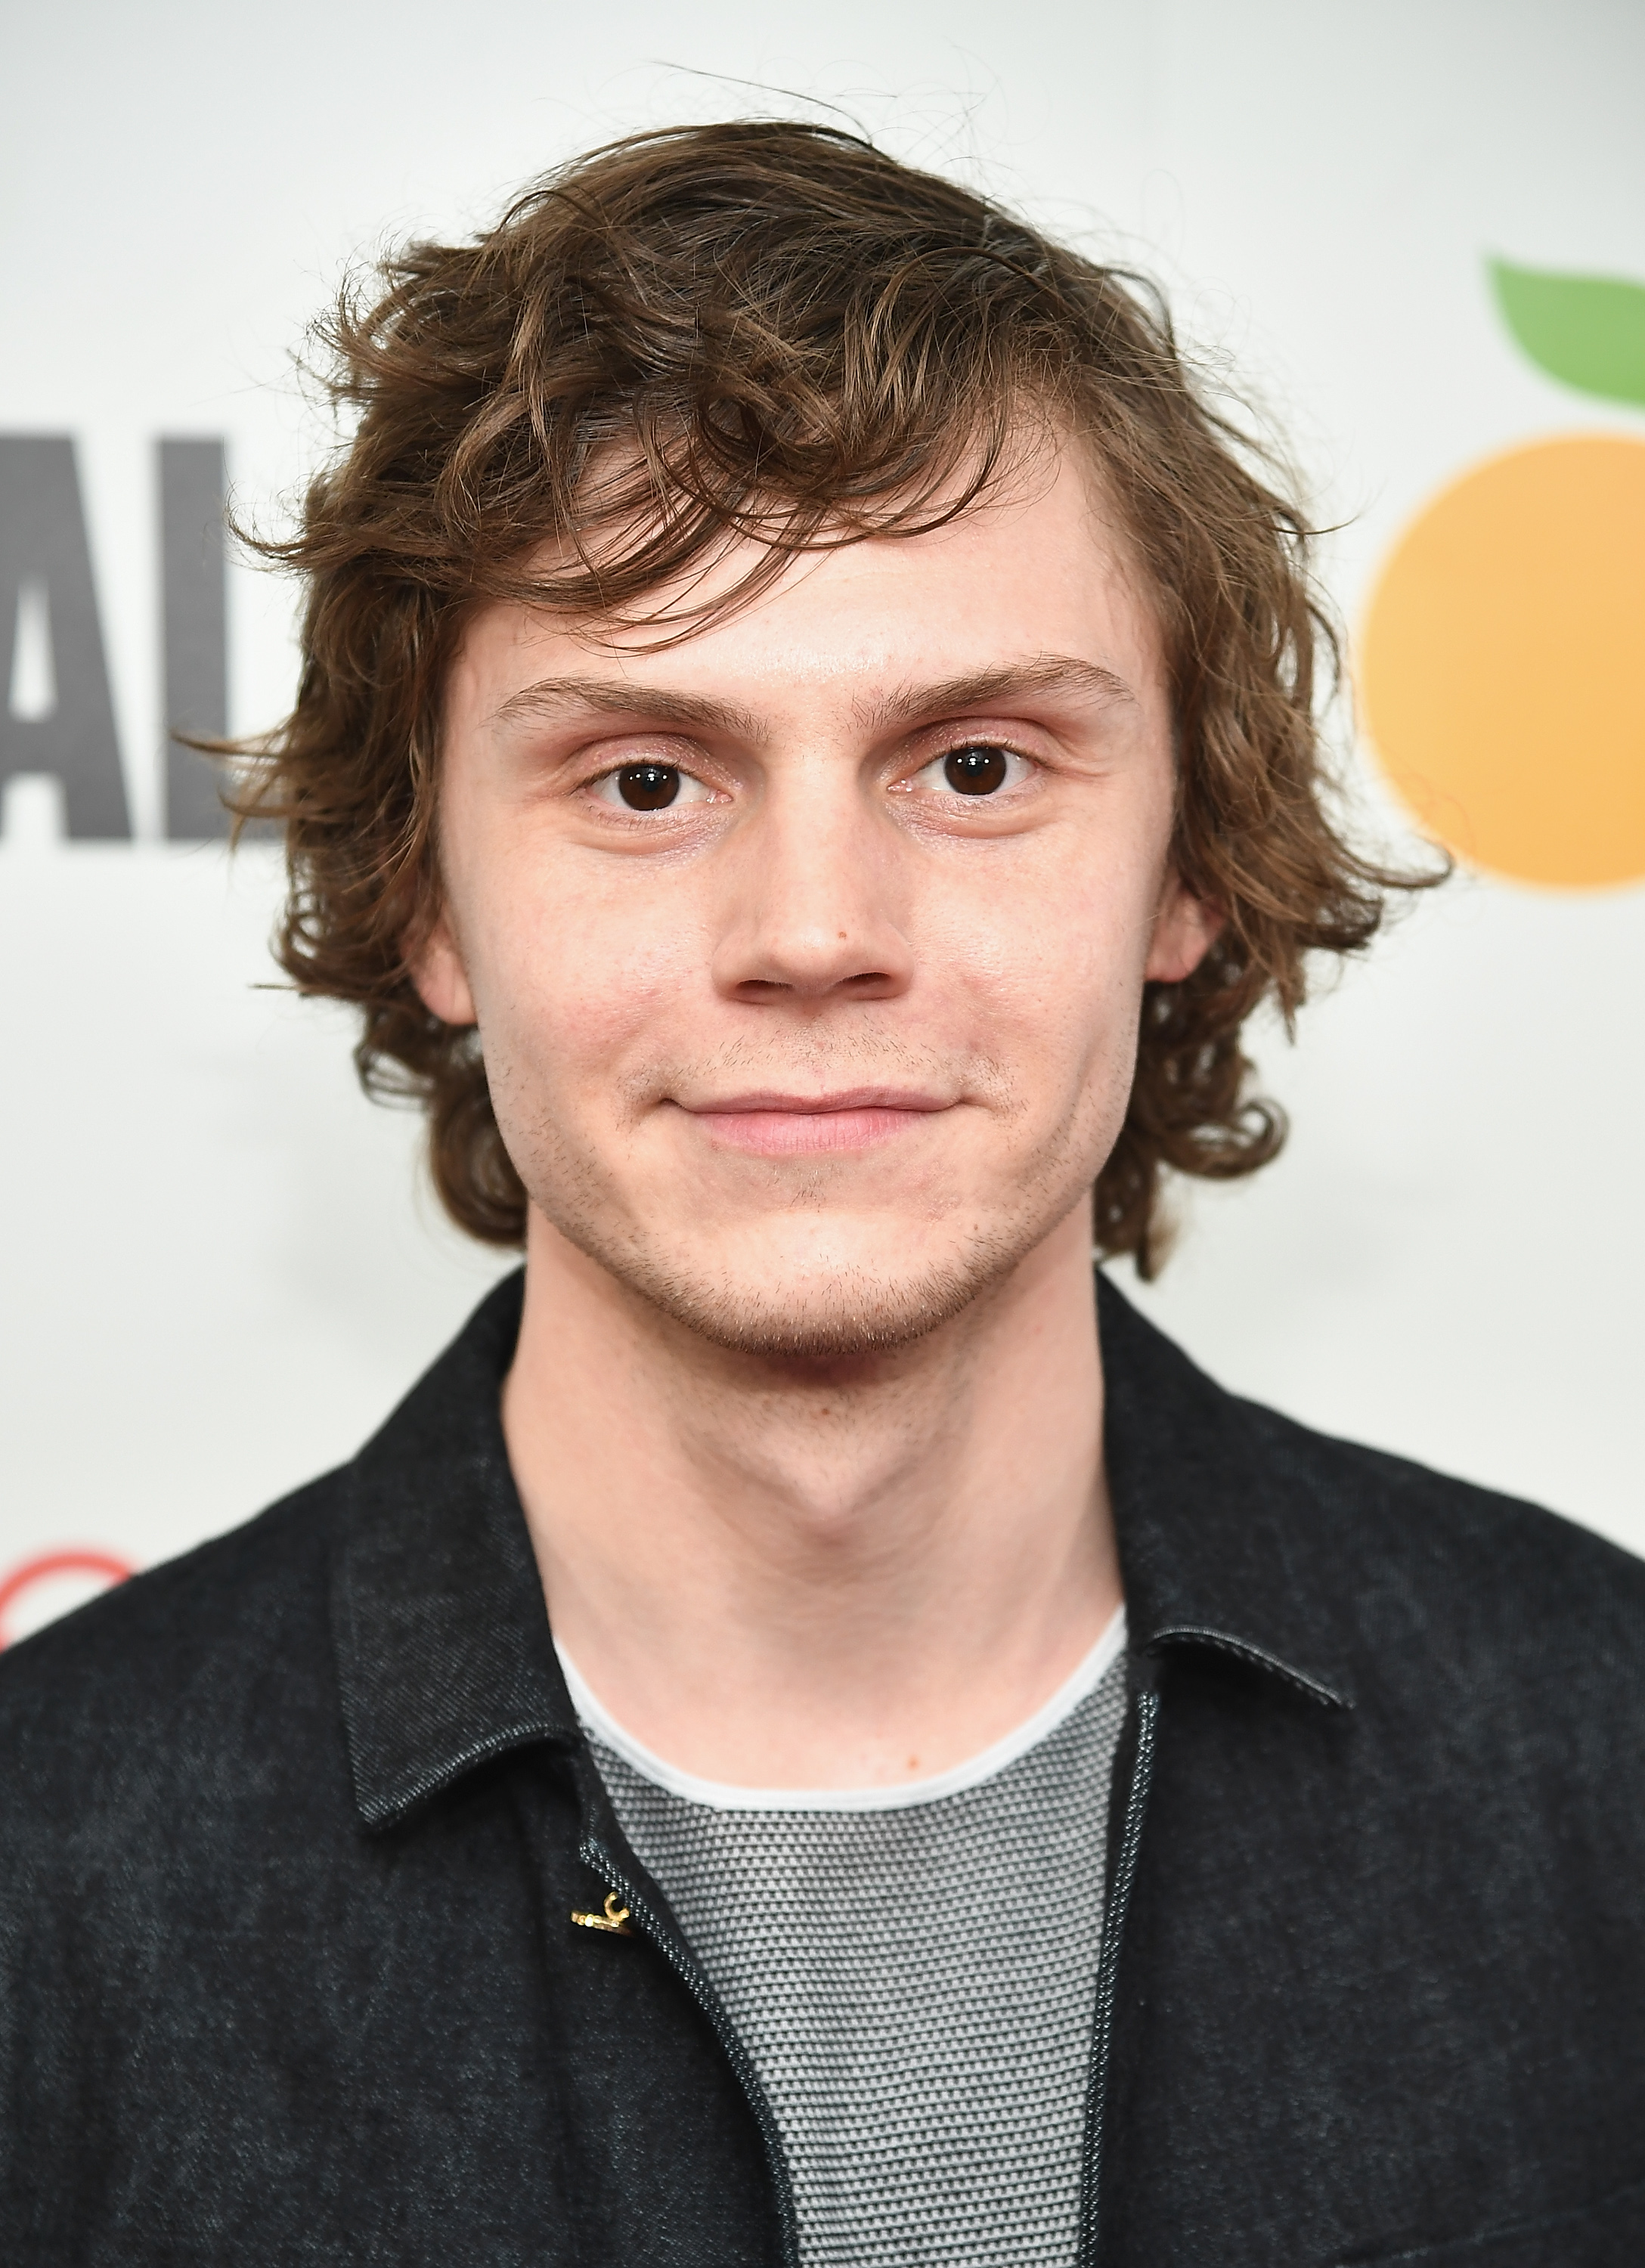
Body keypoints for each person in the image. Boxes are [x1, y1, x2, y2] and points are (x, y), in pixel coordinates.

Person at [2, 122, 1641, 2268]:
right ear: (428, 900)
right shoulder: (43, 1871)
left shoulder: (1603, 1750)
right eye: (646, 779)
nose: (813, 931)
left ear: (1189, 868)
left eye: (975, 766)